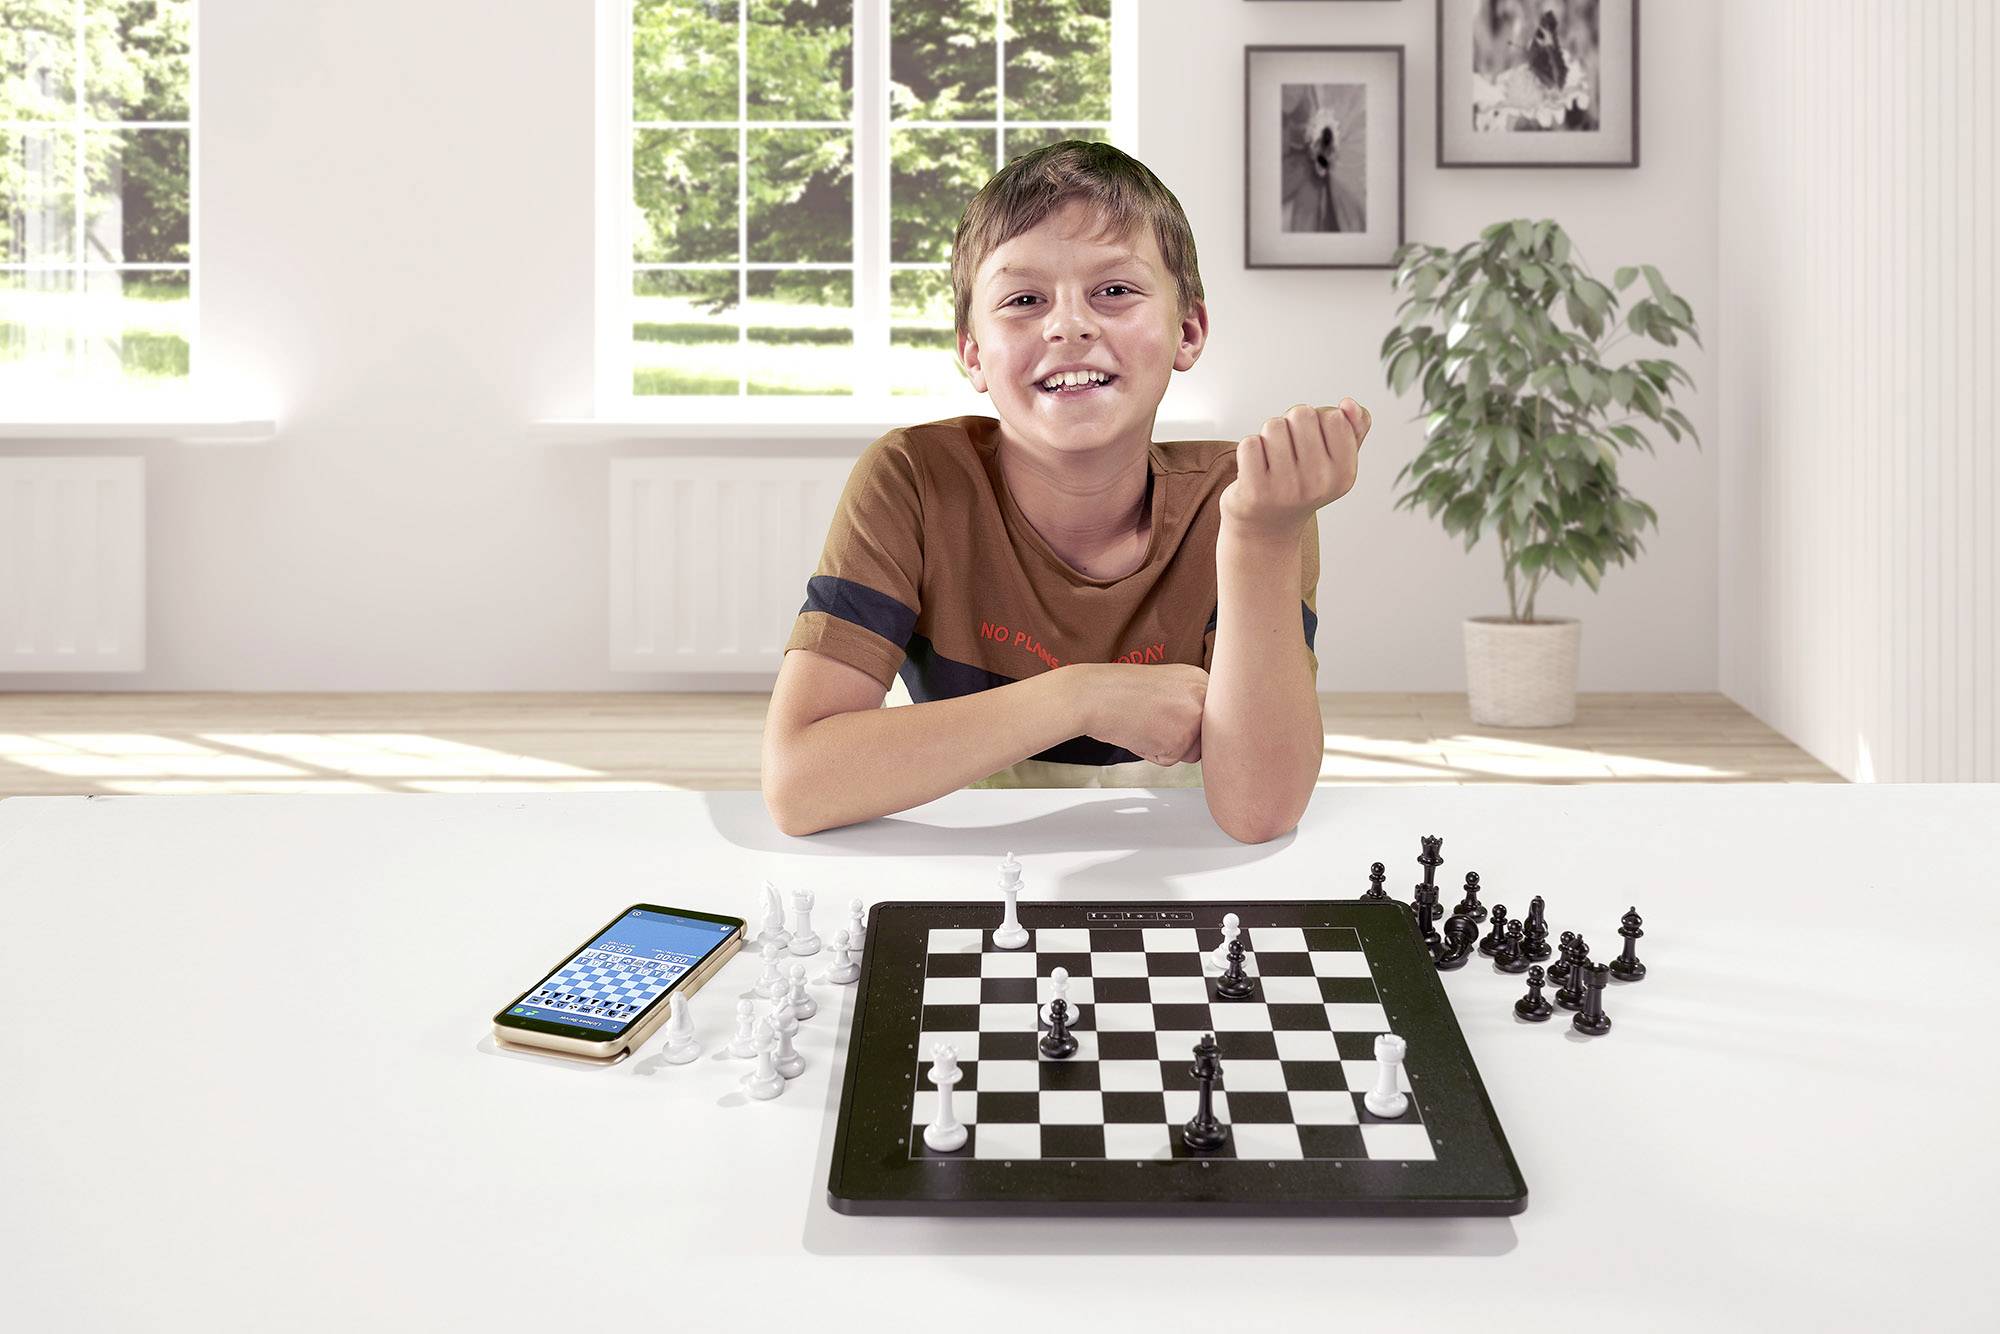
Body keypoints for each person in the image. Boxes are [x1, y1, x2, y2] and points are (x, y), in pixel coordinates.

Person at [761, 140, 1369, 841]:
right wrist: (1082, 697)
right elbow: (798, 785)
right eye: (1023, 299)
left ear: (1188, 330)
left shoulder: (1248, 502)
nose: (1069, 324)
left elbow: (1259, 811)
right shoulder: (913, 480)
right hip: (974, 866)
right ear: (973, 353)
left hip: (1184, 868)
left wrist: (1264, 539)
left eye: (1115, 291)